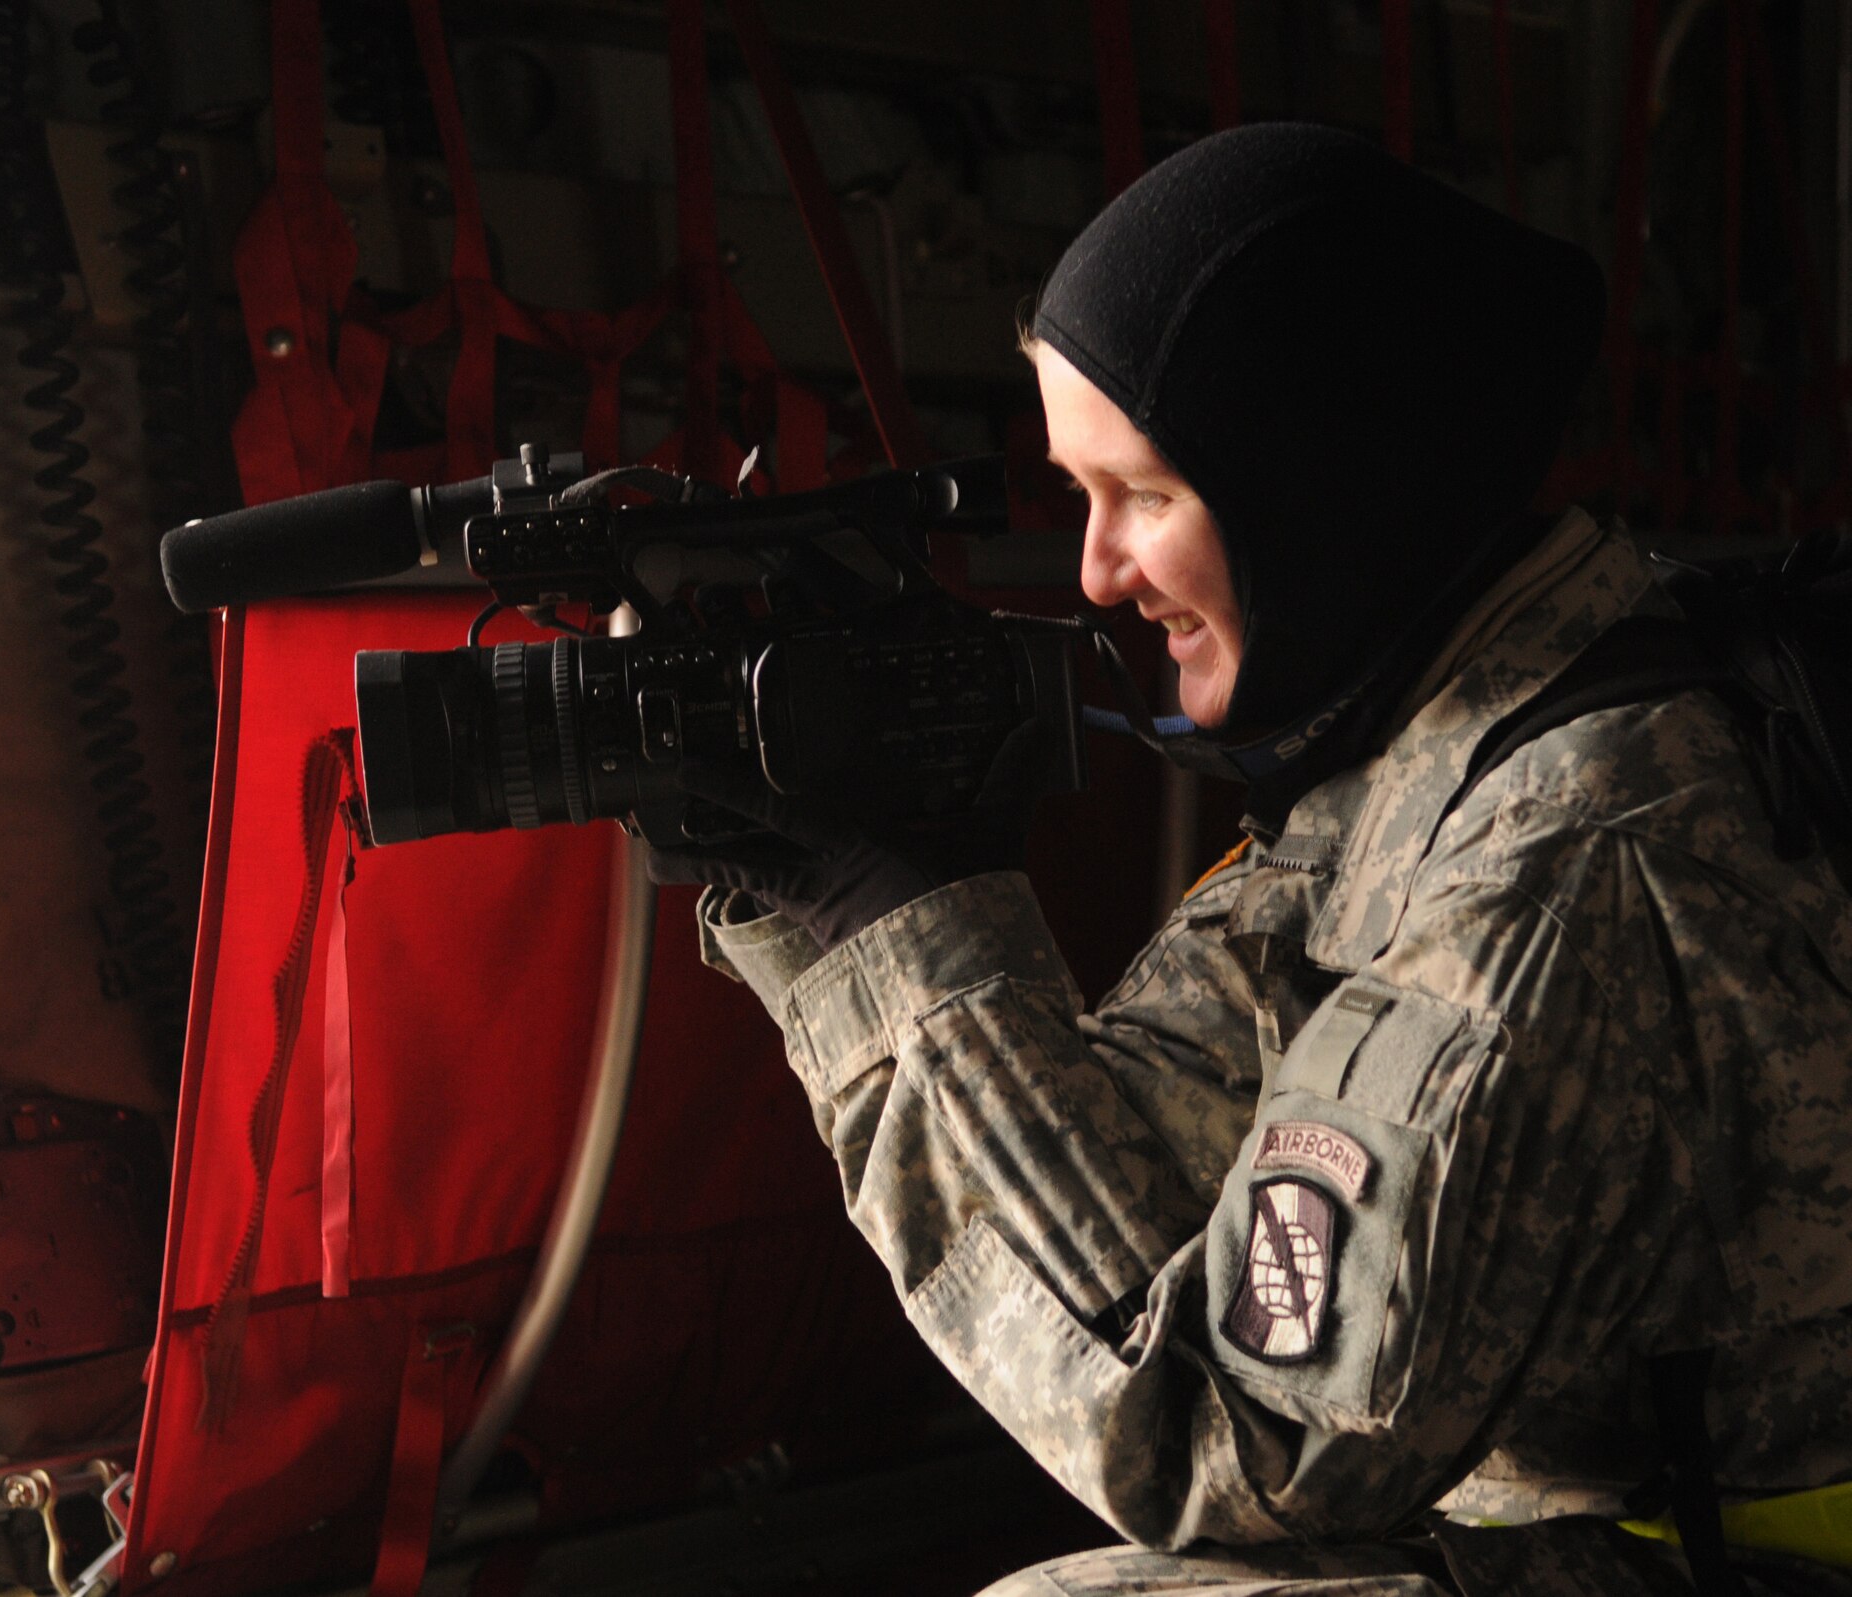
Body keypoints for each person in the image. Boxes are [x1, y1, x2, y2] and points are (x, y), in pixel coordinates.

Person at [649, 124, 1852, 1596]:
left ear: (1325, 492)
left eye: (1143, 494)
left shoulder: (1563, 862)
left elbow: (1224, 1436)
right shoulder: (1452, 727)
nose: (1097, 571)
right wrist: (869, 880)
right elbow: (1160, 1158)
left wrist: (898, 931)